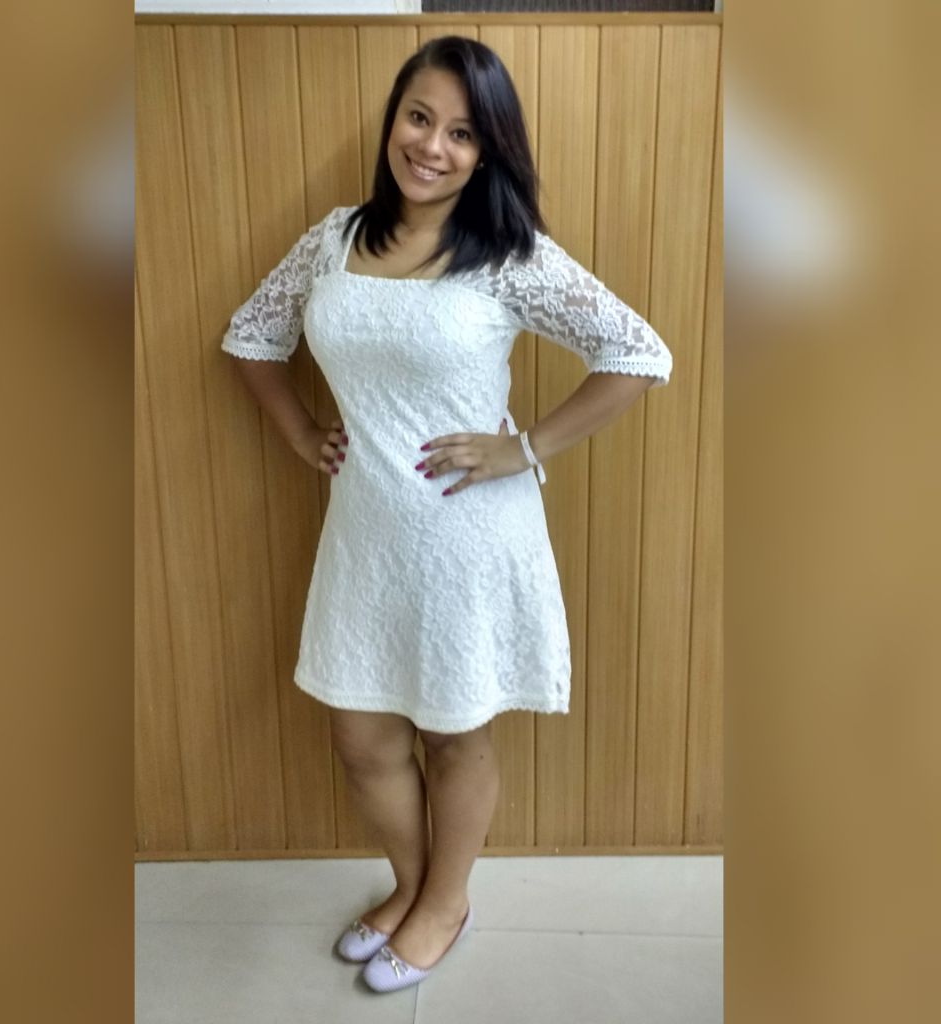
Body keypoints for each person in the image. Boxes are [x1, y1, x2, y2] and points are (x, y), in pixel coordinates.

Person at [221, 36, 673, 993]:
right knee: (362, 737)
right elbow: (251, 337)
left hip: (468, 535)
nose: (431, 146)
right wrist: (301, 431)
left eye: (462, 133)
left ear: (488, 149)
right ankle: (413, 885)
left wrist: (526, 447)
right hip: (364, 535)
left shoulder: (507, 255)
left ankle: (444, 903)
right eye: (419, 117)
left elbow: (638, 353)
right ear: (394, 118)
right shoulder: (333, 239)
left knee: (455, 730)